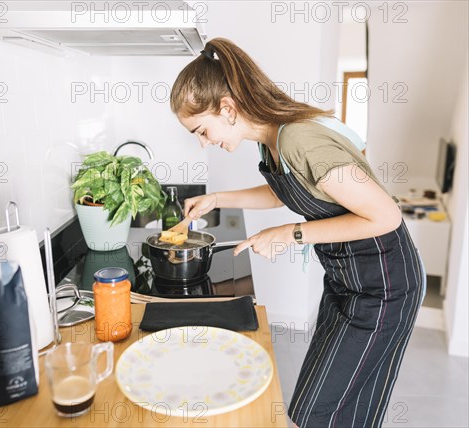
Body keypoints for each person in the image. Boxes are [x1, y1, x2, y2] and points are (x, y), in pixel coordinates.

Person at [171, 38, 426, 428]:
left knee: (321, 412)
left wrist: (290, 233)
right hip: (346, 280)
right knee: (331, 409)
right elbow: (285, 191)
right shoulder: (271, 141)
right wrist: (218, 199)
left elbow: (385, 216)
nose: (205, 142)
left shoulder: (297, 138)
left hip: (385, 285)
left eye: (202, 130)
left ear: (227, 108)